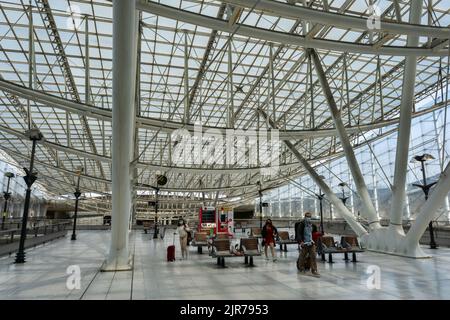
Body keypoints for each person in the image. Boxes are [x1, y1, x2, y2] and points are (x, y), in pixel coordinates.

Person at [296, 212, 320, 277]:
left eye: (309, 216)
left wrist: (319, 234)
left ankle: (314, 270)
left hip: (311, 243)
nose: (308, 218)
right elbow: (299, 234)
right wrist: (301, 241)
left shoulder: (313, 225)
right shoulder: (301, 224)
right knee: (302, 256)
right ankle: (301, 268)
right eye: (307, 216)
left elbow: (314, 234)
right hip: (304, 243)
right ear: (305, 217)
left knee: (313, 256)